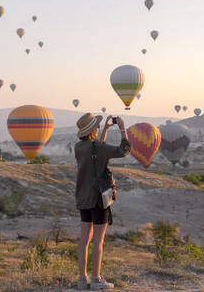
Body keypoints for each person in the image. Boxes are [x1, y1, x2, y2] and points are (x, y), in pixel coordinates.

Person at [74, 113, 130, 290]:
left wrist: (105, 129)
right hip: (99, 198)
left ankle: (82, 280)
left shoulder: (78, 147)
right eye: (97, 127)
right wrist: (122, 129)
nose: (98, 128)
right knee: (98, 240)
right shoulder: (97, 147)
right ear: (93, 130)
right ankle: (96, 279)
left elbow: (98, 152)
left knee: (84, 240)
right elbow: (123, 150)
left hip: (83, 198)